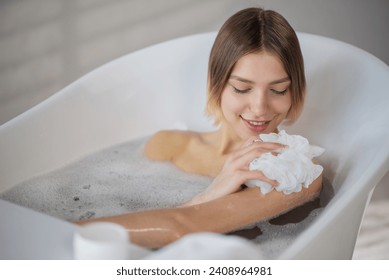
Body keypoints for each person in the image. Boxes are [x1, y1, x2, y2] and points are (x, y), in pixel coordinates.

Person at [76, 7, 323, 249]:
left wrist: (206, 198)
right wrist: (211, 193)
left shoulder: (294, 171)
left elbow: (177, 228)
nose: (259, 108)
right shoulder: (167, 144)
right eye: (241, 88)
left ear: (294, 91)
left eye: (278, 90)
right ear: (217, 85)